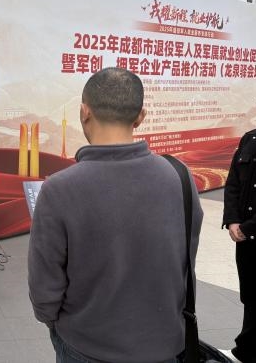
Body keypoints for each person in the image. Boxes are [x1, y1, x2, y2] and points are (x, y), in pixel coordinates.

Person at [28, 67, 203, 363]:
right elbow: (185, 259)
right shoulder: (179, 176)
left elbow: (45, 285)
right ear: (140, 116)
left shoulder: (59, 189)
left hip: (86, 346)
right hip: (165, 344)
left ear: (84, 112)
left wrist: (54, 321)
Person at [223, 121, 256, 362]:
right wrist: (233, 220)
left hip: (250, 230)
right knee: (251, 294)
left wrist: (248, 227)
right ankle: (246, 350)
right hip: (246, 238)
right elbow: (233, 181)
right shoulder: (250, 138)